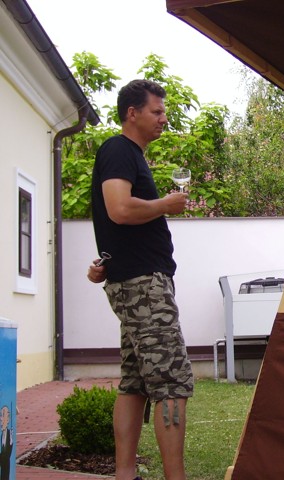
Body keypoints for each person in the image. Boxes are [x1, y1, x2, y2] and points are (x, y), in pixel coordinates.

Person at [87, 79, 193, 480]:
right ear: (132, 113)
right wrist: (165, 204)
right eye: (157, 111)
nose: (164, 119)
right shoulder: (119, 149)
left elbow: (114, 221)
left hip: (134, 282)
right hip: (144, 287)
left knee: (135, 382)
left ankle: (125, 474)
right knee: (171, 381)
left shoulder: (127, 154)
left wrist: (105, 264)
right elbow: (118, 209)